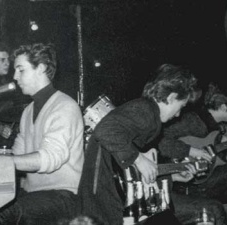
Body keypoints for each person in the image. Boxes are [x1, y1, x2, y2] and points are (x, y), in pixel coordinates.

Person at [77, 64, 210, 225]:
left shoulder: (149, 114)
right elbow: (104, 130)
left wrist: (172, 176)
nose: (178, 114)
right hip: (106, 200)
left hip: (110, 198)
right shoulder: (145, 110)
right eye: (181, 106)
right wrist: (139, 159)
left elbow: (130, 169)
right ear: (171, 97)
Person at [0, 43, 85, 225]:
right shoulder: (28, 111)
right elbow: (18, 155)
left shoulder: (65, 107)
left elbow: (50, 159)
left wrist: (1, 163)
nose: (14, 76)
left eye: (21, 70)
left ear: (41, 68)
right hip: (36, 195)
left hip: (64, 196)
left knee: (5, 214)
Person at [158, 82, 227, 225]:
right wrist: (191, 151)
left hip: (205, 181)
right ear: (223, 107)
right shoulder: (193, 121)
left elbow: (215, 163)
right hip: (186, 184)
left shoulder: (215, 127)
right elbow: (161, 140)